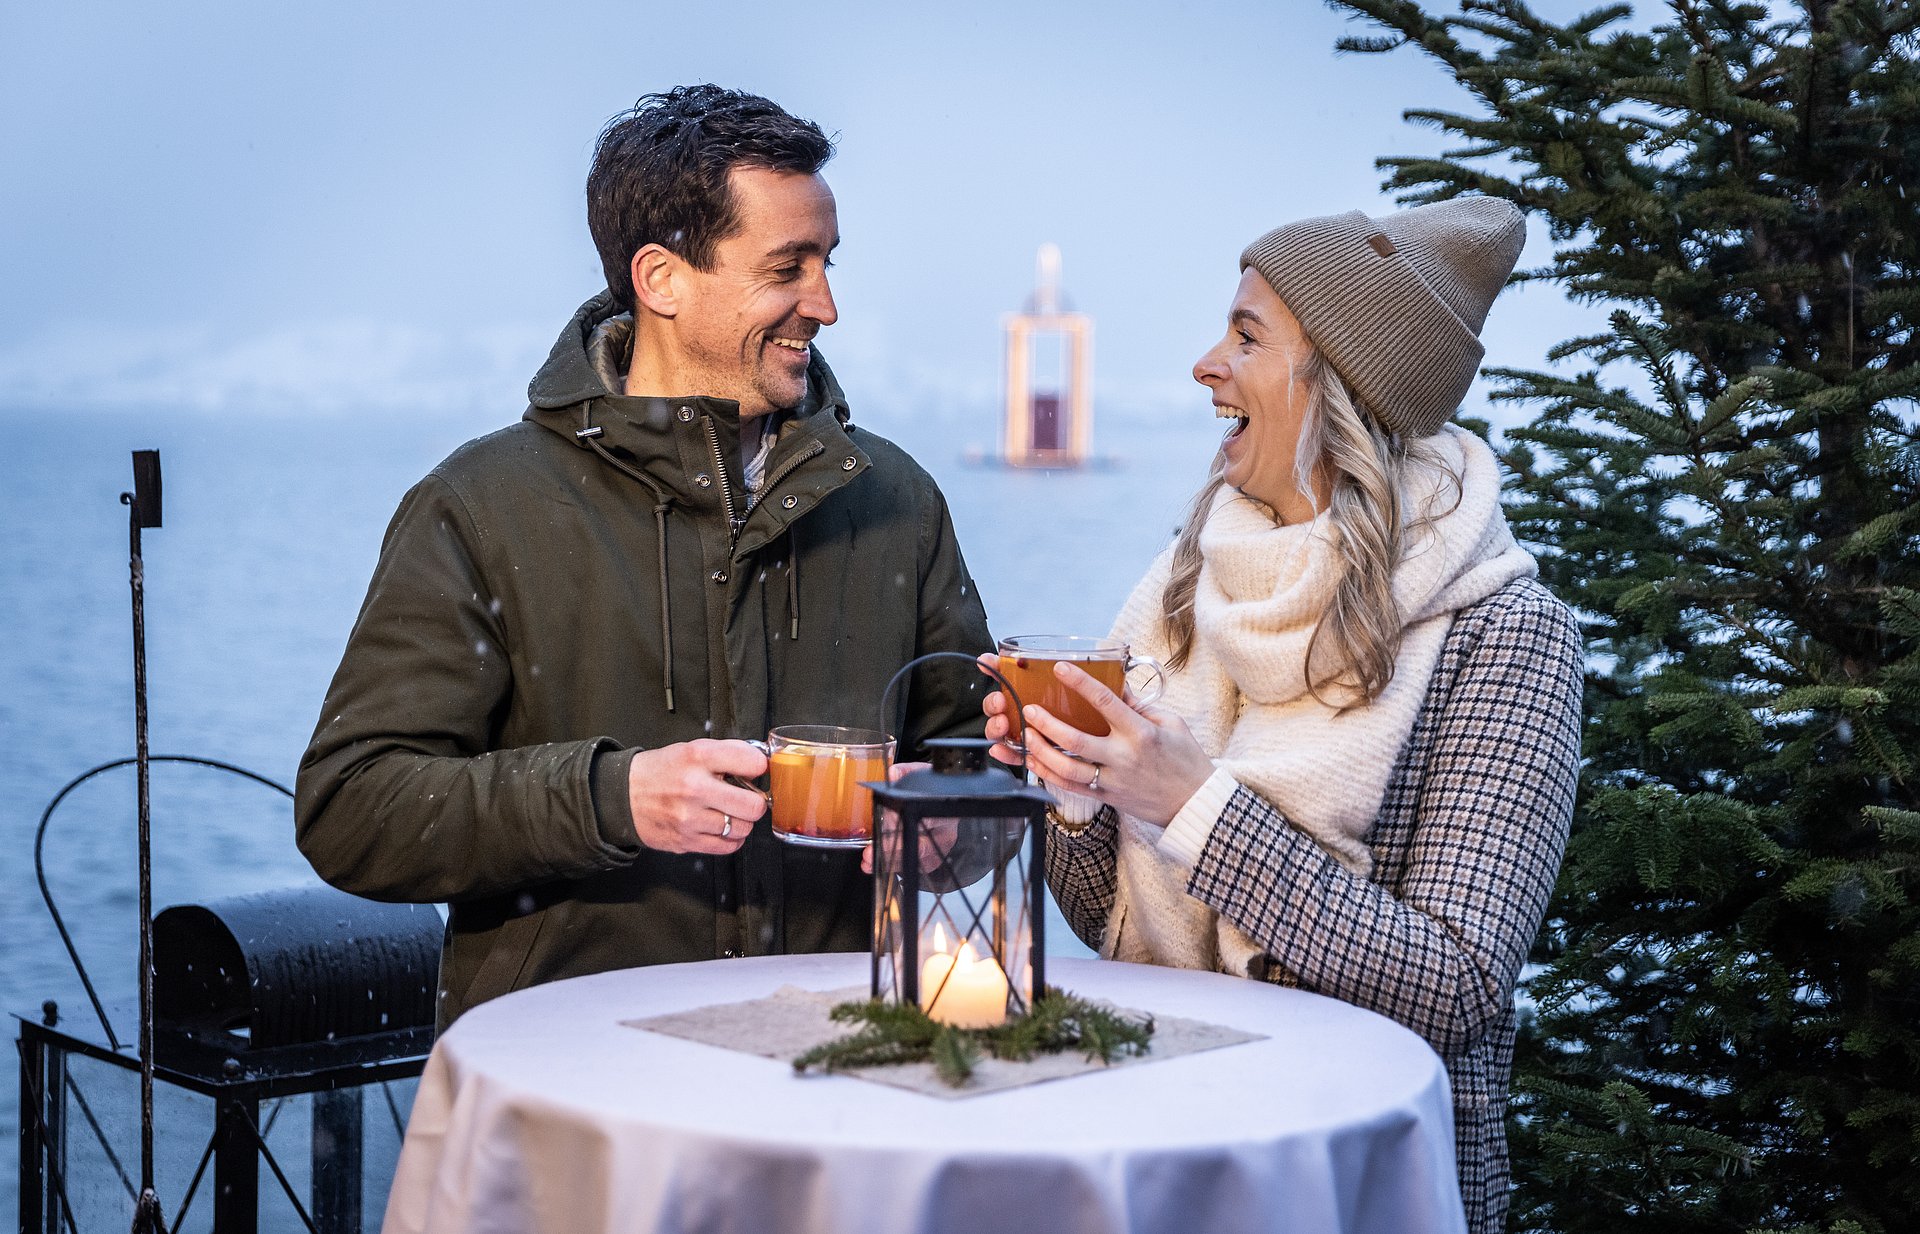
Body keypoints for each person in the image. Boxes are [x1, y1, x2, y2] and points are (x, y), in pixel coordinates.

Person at [296, 85, 992, 1030]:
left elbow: (973, 763)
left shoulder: (896, 502)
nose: (825, 304)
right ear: (662, 279)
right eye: (788, 267)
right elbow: (353, 809)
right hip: (575, 1086)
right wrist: (608, 798)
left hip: (842, 1071)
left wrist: (954, 821)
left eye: (827, 263)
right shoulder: (480, 507)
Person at [984, 197, 1582, 1234]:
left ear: (1341, 383)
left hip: (1348, 1177)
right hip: (1153, 1140)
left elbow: (1458, 981)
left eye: (1247, 335)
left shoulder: (1507, 634)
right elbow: (1110, 923)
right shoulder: (1192, 577)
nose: (1205, 364)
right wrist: (1077, 790)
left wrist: (1192, 803)